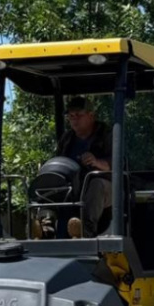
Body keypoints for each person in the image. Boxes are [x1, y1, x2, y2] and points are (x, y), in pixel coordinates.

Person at [56, 96, 113, 237]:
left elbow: (119, 164)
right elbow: (57, 160)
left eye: (78, 115)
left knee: (96, 183)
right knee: (49, 179)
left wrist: (97, 162)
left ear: (91, 115)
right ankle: (46, 227)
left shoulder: (107, 134)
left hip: (108, 188)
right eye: (71, 116)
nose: (74, 119)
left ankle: (85, 231)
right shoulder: (67, 138)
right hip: (73, 187)